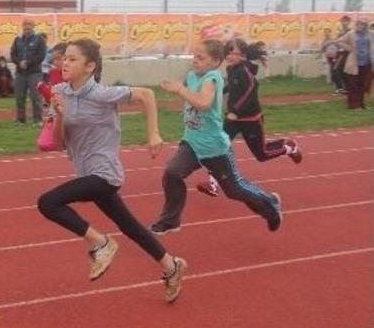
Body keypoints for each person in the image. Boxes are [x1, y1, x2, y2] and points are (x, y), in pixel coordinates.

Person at [38, 39, 187, 303]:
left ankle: (101, 243)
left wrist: (153, 133)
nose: (64, 63)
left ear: (90, 66)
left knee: (48, 202)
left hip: (105, 175)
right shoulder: (60, 92)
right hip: (88, 175)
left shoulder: (102, 94)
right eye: (64, 58)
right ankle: (171, 265)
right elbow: (60, 142)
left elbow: (147, 95)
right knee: (130, 226)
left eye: (72, 59)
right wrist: (59, 114)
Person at [150, 39, 283, 235]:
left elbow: (204, 103)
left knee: (233, 189)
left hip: (215, 147)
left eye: (200, 58)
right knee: (172, 172)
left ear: (215, 62)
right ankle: (170, 221)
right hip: (192, 143)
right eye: (194, 56)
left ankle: (270, 204)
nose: (195, 61)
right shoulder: (192, 75)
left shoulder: (213, 78)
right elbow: (190, 96)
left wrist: (180, 89)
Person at [196, 39, 302, 197]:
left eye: (235, 53)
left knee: (262, 154)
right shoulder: (232, 69)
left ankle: (289, 147)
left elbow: (250, 90)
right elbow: (232, 86)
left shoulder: (245, 70)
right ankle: (213, 184)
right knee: (217, 147)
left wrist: (236, 111)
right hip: (232, 121)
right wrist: (216, 93)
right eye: (228, 52)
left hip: (250, 121)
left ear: (243, 56)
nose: (231, 56)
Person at [9, 20, 47, 125]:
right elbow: (13, 54)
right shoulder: (17, 40)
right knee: (19, 97)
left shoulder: (39, 39)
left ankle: (38, 120)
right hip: (20, 73)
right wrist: (19, 62)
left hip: (34, 73)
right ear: (22, 27)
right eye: (25, 26)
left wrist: (28, 62)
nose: (27, 28)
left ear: (33, 27)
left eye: (29, 26)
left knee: (36, 97)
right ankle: (20, 120)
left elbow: (41, 55)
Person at [335, 18, 373, 110]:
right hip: (354, 63)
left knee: (363, 85)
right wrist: (349, 48)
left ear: (365, 25)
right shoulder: (351, 34)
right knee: (353, 85)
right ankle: (354, 105)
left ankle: (361, 104)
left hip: (367, 62)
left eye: (362, 24)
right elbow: (339, 41)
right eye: (358, 24)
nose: (359, 26)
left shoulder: (371, 34)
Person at [320, 28, 344, 93]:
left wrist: (338, 54)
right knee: (332, 71)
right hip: (329, 57)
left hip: (336, 57)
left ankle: (340, 87)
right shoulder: (324, 41)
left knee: (335, 71)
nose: (326, 33)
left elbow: (339, 47)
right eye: (325, 32)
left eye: (328, 32)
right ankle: (336, 86)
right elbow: (322, 49)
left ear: (330, 33)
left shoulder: (334, 39)